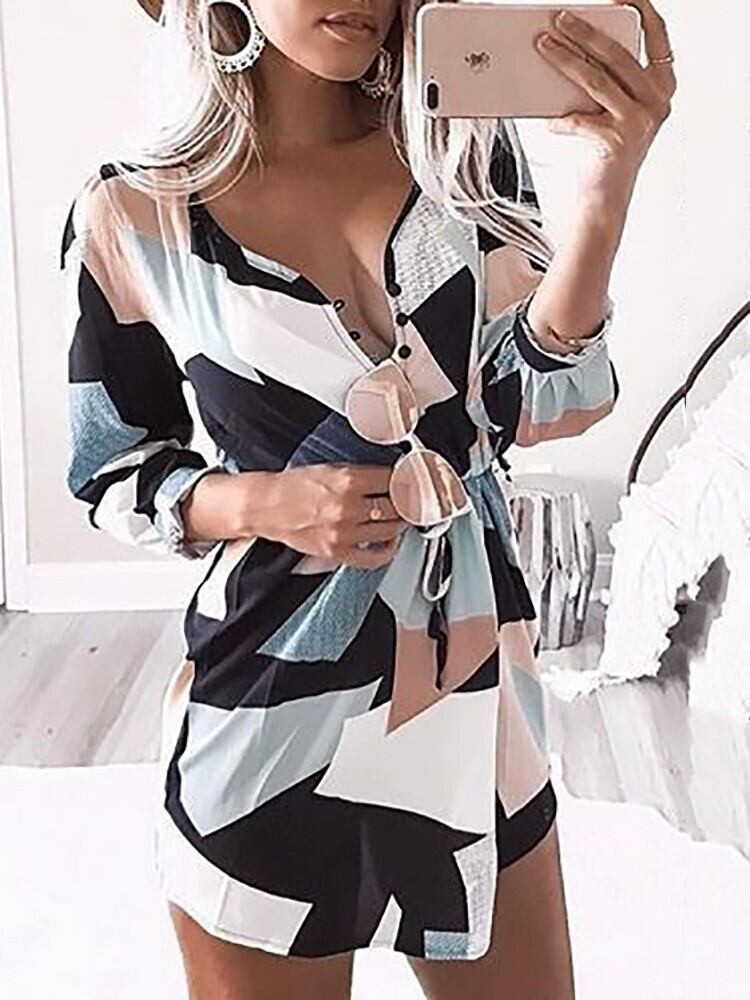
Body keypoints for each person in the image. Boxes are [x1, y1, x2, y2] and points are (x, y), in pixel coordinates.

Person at [61, 1, 675, 996]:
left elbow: (538, 397)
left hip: (474, 696)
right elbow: (113, 468)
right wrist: (268, 504)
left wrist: (611, 187)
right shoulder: (134, 213)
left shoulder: (462, 157)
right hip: (267, 707)